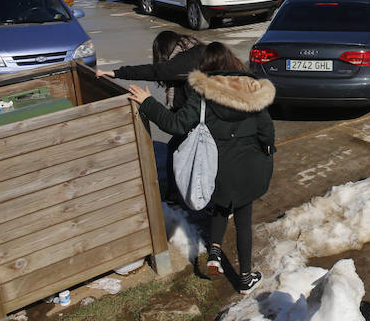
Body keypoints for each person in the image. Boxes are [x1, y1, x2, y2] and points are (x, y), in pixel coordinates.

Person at [127, 42, 275, 295]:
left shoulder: (202, 94)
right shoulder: (253, 89)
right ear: (231, 61)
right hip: (248, 166)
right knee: (243, 220)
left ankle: (214, 253)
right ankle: (245, 278)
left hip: (216, 166)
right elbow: (266, 131)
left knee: (219, 203)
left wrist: (148, 102)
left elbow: (174, 125)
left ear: (205, 66)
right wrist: (268, 149)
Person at [97, 31, 204, 203]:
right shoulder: (193, 52)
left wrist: (117, 73)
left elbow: (156, 71)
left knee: (186, 152)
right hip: (200, 115)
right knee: (177, 149)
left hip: (203, 119)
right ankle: (175, 194)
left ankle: (178, 196)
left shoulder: (185, 60)